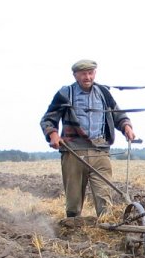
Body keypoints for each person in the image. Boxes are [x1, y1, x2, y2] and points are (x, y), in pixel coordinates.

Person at [41, 59, 137, 218]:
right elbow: (48, 119)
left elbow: (117, 114)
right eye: (83, 74)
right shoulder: (65, 94)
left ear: (95, 73)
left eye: (90, 73)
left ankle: (105, 224)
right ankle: (73, 226)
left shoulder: (103, 93)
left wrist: (126, 126)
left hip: (100, 151)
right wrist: (53, 135)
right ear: (75, 75)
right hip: (74, 151)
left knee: (104, 196)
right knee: (73, 200)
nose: (87, 77)